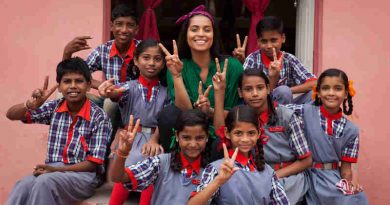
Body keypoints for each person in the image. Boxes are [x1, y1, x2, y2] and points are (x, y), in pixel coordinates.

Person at [6, 57, 112, 205]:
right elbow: (11, 115)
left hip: (83, 175)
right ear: (60, 87)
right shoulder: (54, 107)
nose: (73, 86)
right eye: (67, 81)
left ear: (88, 86)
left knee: (44, 183)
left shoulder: (99, 117)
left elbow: (93, 164)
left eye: (79, 81)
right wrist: (29, 105)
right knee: (22, 185)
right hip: (52, 170)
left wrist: (56, 170)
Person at [158, 4, 243, 151]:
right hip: (189, 138)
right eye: (194, 29)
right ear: (186, 34)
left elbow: (238, 115)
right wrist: (177, 75)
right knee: (168, 113)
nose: (201, 34)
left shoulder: (233, 66)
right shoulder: (176, 65)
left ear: (214, 35)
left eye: (207, 29)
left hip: (224, 136)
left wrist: (210, 111)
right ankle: (175, 166)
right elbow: (181, 112)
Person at [98, 39, 169, 205]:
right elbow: (116, 93)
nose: (151, 63)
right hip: (130, 139)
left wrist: (155, 139)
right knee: (127, 161)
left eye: (157, 59)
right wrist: (108, 92)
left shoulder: (167, 92)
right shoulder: (129, 87)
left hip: (154, 140)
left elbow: (165, 118)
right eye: (146, 58)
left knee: (154, 162)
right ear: (136, 61)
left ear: (163, 63)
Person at [287, 68, 369, 205]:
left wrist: (349, 186)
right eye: (325, 88)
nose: (331, 93)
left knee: (353, 200)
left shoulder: (351, 130)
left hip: (330, 179)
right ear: (318, 93)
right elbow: (276, 110)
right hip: (302, 174)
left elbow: (346, 169)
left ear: (346, 94)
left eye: (337, 89)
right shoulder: (304, 111)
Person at [63, 4, 140, 146]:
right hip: (109, 99)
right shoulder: (103, 50)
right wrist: (67, 53)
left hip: (135, 104)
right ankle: (76, 145)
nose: (123, 30)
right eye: (119, 24)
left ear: (136, 29)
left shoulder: (142, 50)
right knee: (65, 96)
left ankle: (102, 150)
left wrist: (118, 90)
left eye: (129, 25)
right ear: (111, 26)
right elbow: (76, 75)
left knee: (110, 104)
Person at [236, 68, 312, 204]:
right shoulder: (241, 120)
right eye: (248, 89)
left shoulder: (286, 116)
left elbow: (306, 160)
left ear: (268, 88)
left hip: (288, 178)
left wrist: (272, 176)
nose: (254, 94)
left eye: (259, 88)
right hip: (255, 177)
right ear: (240, 93)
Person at [188, 104, 289, 204]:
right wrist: (218, 180)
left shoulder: (268, 172)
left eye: (251, 133)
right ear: (227, 133)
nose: (245, 139)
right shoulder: (216, 169)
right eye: (238, 133)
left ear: (258, 134)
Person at [110, 109, 212, 204]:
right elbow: (117, 177)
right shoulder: (160, 163)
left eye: (199, 138)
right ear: (177, 136)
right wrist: (122, 153)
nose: (193, 144)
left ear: (207, 137)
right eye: (186, 138)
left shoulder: (211, 171)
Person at [240, 16, 317, 105]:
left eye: (273, 40)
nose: (269, 46)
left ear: (283, 38)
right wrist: (273, 78)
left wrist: (289, 90)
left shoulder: (289, 59)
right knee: (283, 91)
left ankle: (295, 116)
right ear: (258, 42)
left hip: (286, 104)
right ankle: (279, 118)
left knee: (316, 93)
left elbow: (315, 83)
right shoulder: (252, 59)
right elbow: (246, 90)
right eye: (264, 41)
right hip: (262, 106)